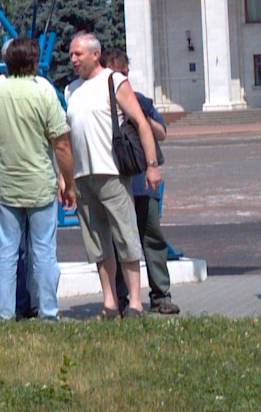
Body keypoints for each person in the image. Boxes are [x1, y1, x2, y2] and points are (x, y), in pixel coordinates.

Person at [0, 36, 77, 321]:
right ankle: (48, 312)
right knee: (44, 251)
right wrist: (69, 183)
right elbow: (62, 144)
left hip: (5, 183)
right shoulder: (44, 92)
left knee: (6, 251)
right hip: (40, 183)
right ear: (35, 62)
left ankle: (5, 312)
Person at [65, 32, 163, 318]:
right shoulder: (71, 90)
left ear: (95, 54)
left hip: (112, 174)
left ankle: (135, 303)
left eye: (78, 54)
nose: (73, 60)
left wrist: (152, 165)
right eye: (71, 55)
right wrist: (65, 177)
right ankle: (110, 302)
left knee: (125, 238)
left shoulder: (114, 81)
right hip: (83, 177)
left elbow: (141, 124)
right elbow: (68, 137)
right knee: (98, 244)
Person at [104, 48, 180, 316]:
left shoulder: (140, 101)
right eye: (116, 74)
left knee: (152, 239)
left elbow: (162, 133)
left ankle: (161, 295)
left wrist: (141, 117)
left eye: (124, 73)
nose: (122, 79)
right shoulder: (101, 105)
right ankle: (121, 299)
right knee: (118, 243)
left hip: (143, 185)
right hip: (115, 183)